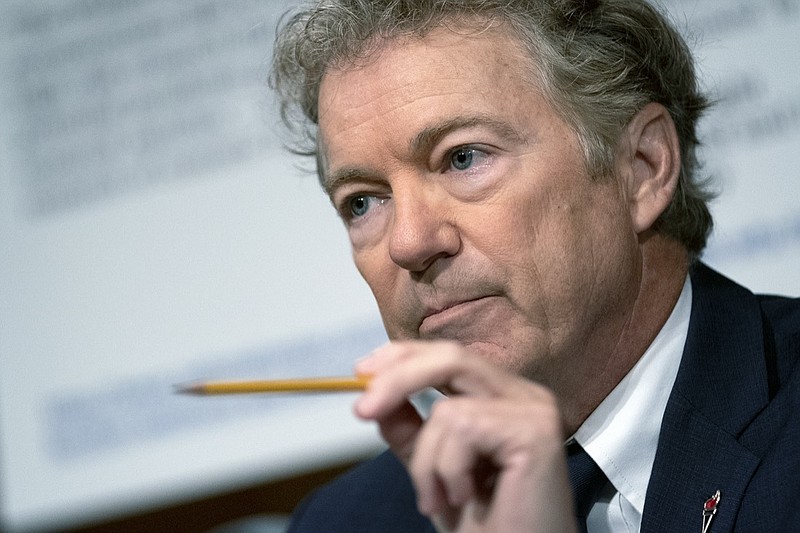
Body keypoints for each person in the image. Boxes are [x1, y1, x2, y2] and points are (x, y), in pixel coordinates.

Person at [269, 0, 800, 531]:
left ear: (643, 168)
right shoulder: (348, 522)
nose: (408, 243)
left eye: (463, 157)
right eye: (363, 201)